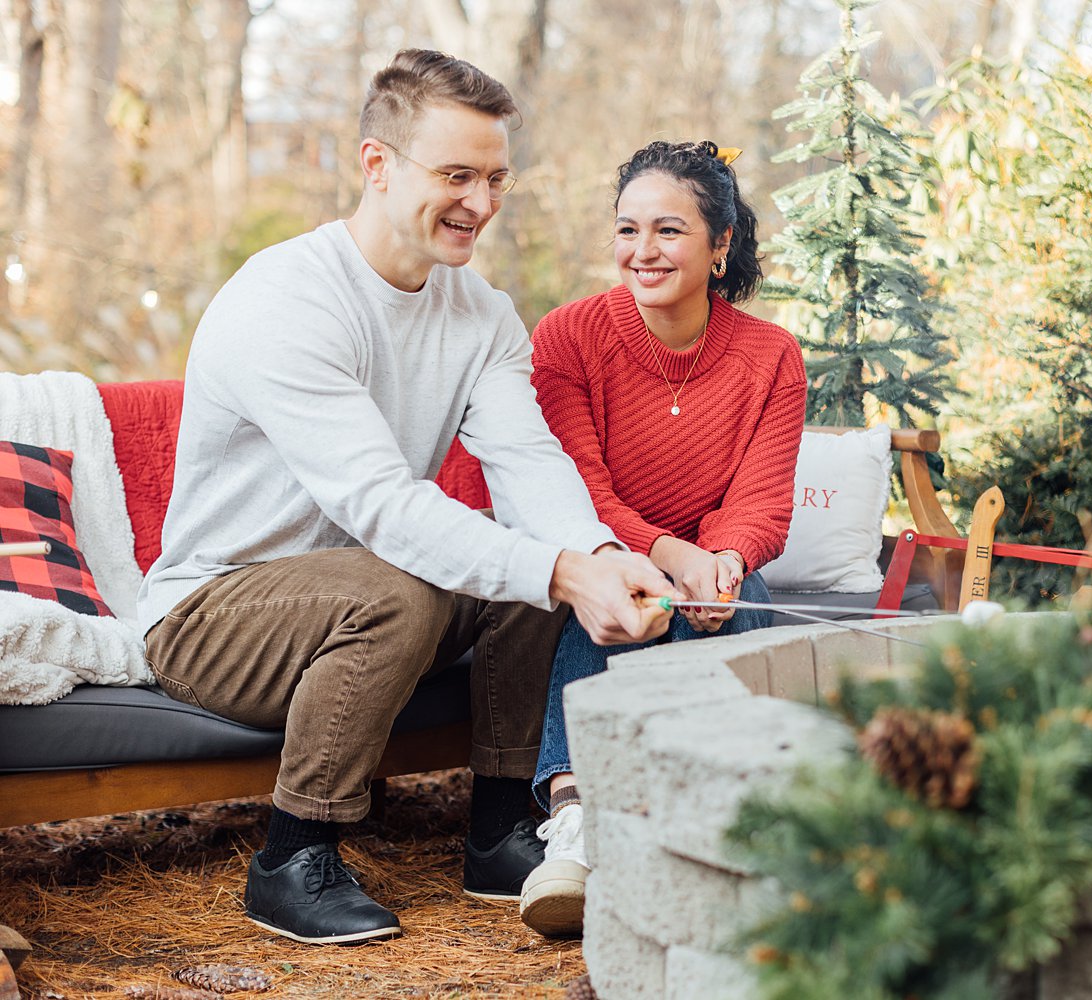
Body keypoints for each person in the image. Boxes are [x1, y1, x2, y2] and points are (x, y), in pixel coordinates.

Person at [136, 49, 676, 946]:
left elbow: (529, 465)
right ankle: (292, 857)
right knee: (418, 580)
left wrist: (601, 560)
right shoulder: (286, 299)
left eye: (496, 177)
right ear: (376, 164)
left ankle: (504, 831)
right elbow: (382, 507)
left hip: (369, 592)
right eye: (456, 174)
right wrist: (560, 566)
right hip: (214, 612)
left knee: (544, 560)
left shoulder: (483, 313)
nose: (481, 201)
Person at [521, 140, 807, 936]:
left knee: (740, 608)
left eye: (669, 231)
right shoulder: (570, 336)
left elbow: (760, 502)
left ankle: (726, 825)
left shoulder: (772, 356)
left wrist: (723, 558)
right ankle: (574, 828)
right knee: (619, 602)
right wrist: (666, 557)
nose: (642, 252)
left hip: (707, 562)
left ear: (721, 246)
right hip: (599, 548)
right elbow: (577, 492)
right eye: (627, 230)